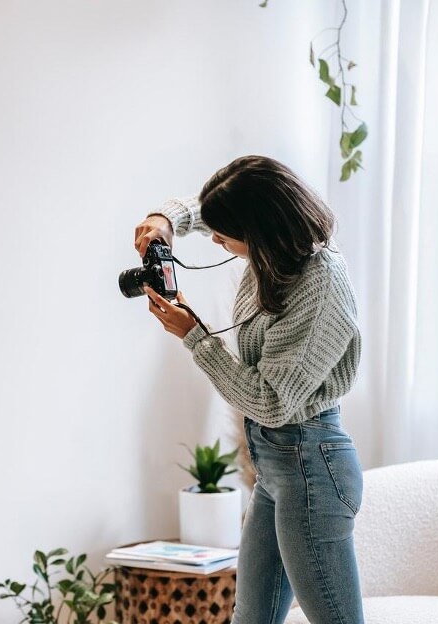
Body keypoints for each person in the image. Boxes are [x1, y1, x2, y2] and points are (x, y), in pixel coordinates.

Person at [133, 155, 365, 624]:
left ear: (260, 230)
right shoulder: (281, 251)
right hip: (277, 468)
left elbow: (272, 402)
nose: (215, 240)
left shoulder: (319, 283)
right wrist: (164, 221)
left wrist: (194, 336)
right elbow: (207, 212)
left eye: (225, 234)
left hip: (309, 468)